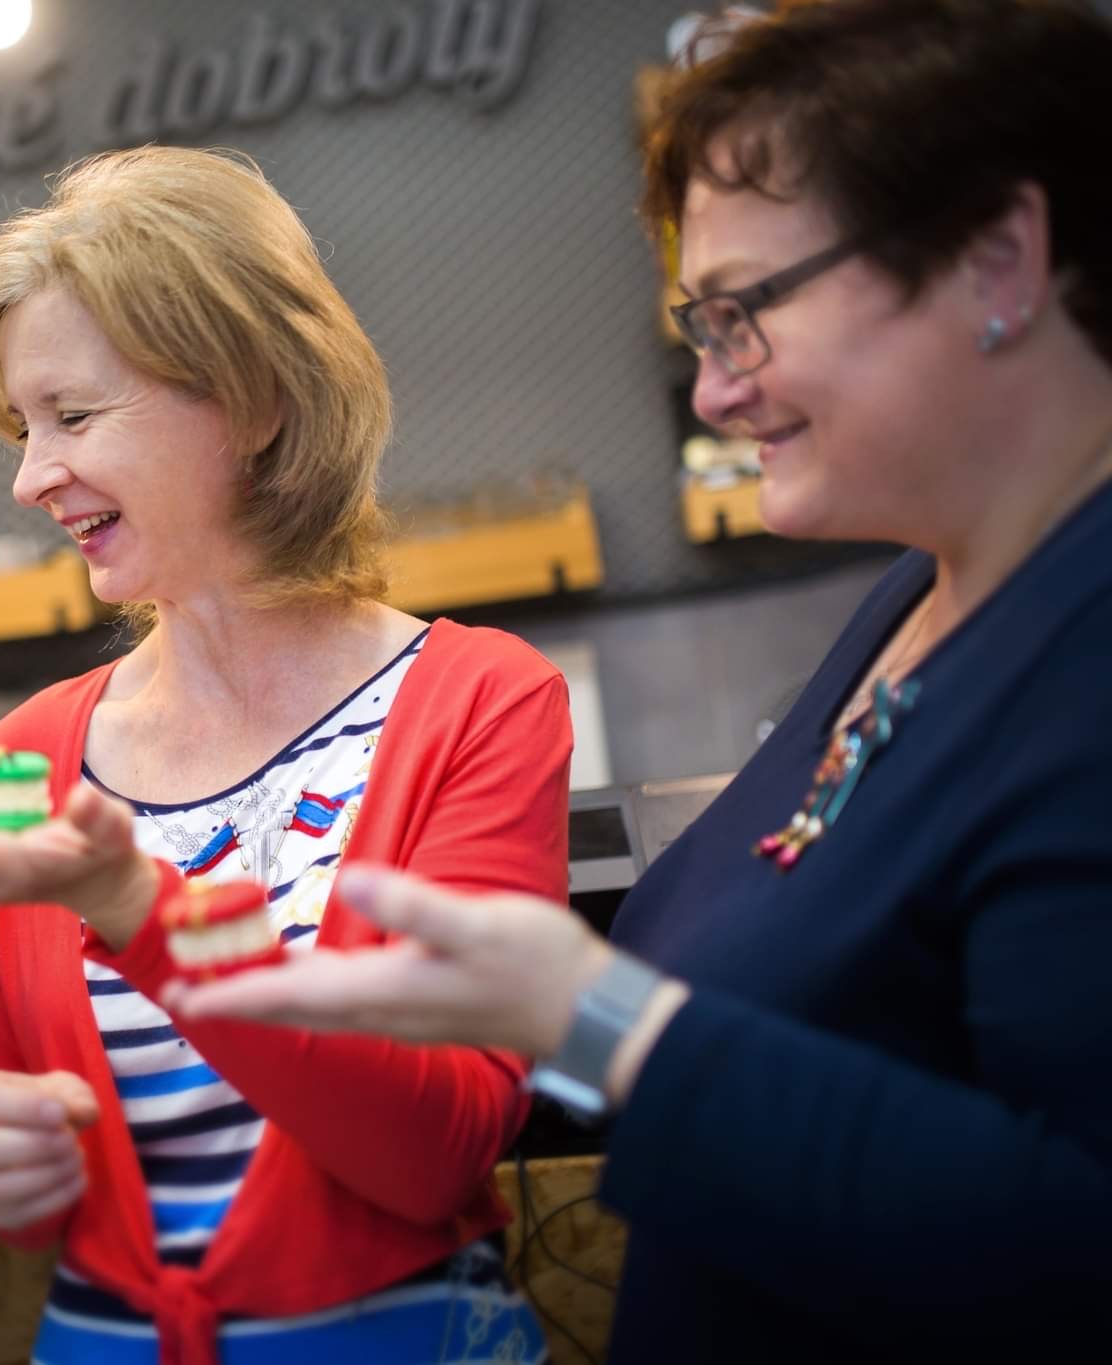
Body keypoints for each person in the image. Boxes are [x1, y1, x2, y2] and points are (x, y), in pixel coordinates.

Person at [169, 2, 1112, 1360]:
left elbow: (1070, 1242)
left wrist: (591, 1016)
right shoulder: (919, 597)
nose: (714, 393)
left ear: (999, 255)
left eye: (740, 316)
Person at [0, 146, 573, 1364]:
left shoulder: (477, 703)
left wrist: (137, 908)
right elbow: (5, 1120)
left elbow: (438, 1145)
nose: (27, 476)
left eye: (72, 414)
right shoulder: (25, 755)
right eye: (21, 425)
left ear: (253, 399)